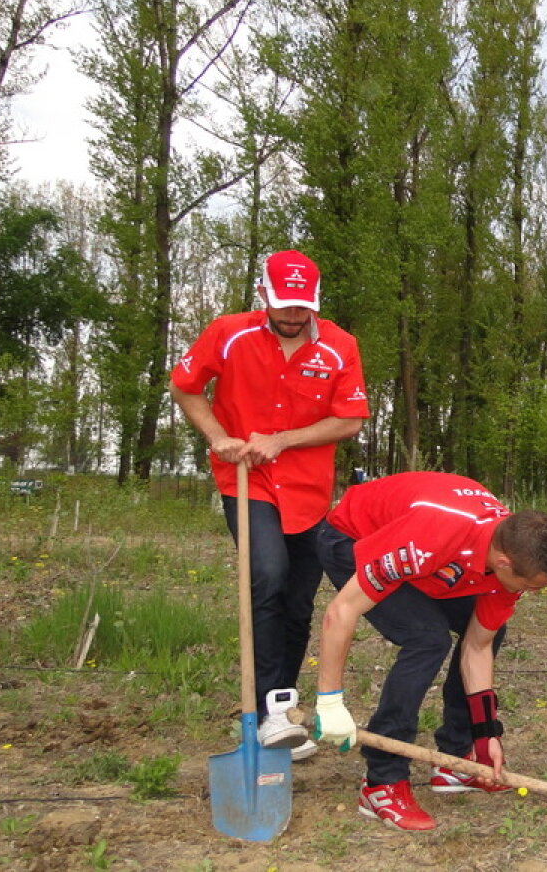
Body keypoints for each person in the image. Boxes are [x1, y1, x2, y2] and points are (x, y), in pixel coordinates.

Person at [170, 249, 368, 760]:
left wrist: (283, 439)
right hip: (246, 481)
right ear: (264, 295)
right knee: (268, 577)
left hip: (308, 489)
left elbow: (350, 420)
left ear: (314, 302)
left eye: (302, 307)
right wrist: (216, 436)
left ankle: (281, 708)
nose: (292, 316)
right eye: (283, 305)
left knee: (299, 599)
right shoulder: (228, 332)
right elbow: (185, 385)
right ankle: (260, 712)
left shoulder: (341, 347)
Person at [311, 471, 547, 831]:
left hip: (434, 555)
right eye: (530, 585)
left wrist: (486, 734)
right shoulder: (430, 535)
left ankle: (456, 757)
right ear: (505, 563)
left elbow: (477, 646)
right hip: (354, 535)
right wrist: (329, 702)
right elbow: (341, 611)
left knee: (488, 629)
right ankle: (382, 780)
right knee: (427, 639)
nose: (531, 592)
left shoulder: (509, 553)